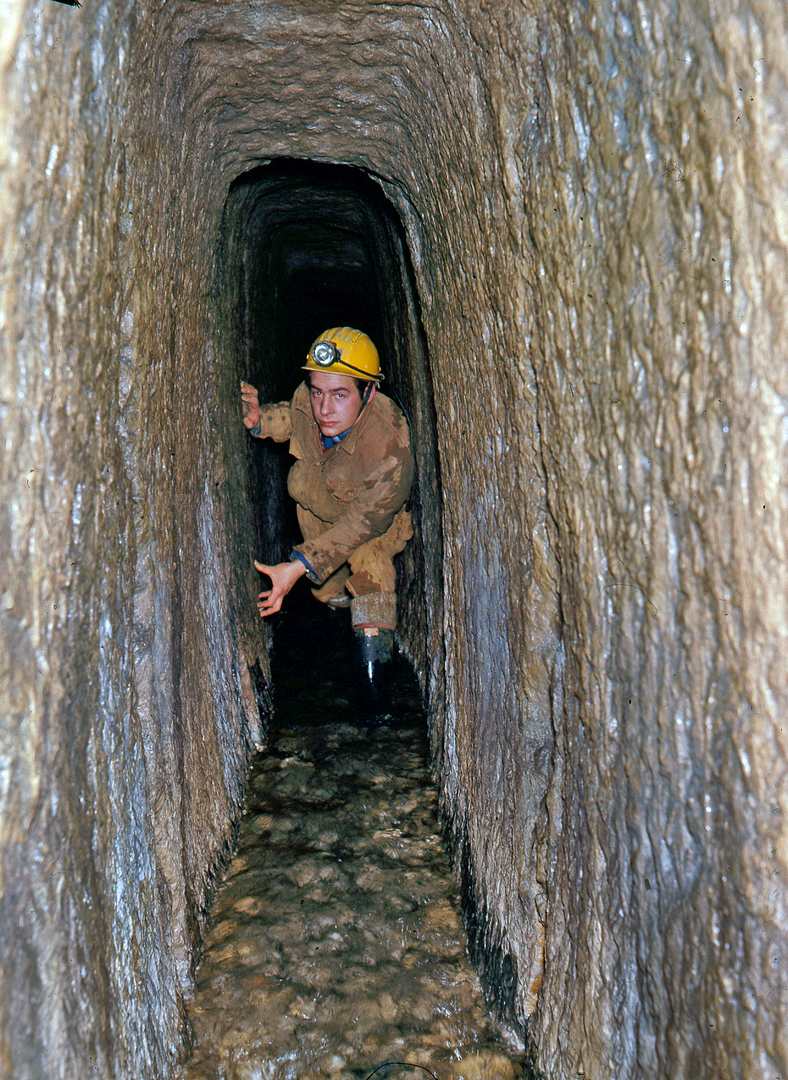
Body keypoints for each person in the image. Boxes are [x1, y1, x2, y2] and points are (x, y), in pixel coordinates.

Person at [240, 327, 414, 704]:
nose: (324, 408)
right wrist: (259, 421)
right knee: (328, 595)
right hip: (319, 518)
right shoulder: (309, 400)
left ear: (369, 392)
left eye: (339, 395)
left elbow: (363, 523)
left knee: (371, 575)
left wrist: (299, 565)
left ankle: (375, 696)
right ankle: (338, 615)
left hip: (370, 528)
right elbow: (295, 416)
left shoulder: (389, 444)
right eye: (318, 391)